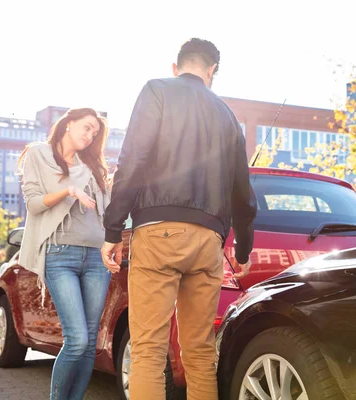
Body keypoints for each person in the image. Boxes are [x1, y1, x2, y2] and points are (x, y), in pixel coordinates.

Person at [101, 38, 257, 400]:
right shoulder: (228, 116)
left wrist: (112, 228)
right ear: (211, 70)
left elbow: (133, 159)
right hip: (208, 243)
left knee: (148, 350)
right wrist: (243, 251)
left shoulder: (157, 90)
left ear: (176, 67)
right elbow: (243, 193)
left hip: (158, 233)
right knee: (201, 351)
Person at [18, 107, 113, 400]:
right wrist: (68, 191)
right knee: (76, 339)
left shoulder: (93, 165)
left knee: (88, 344)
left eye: (94, 133)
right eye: (86, 128)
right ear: (68, 124)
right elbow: (34, 204)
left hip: (97, 259)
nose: (89, 136)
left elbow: (107, 213)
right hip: (61, 255)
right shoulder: (39, 154)